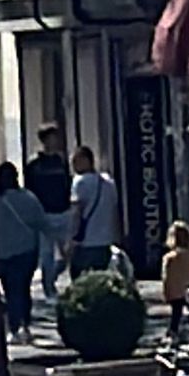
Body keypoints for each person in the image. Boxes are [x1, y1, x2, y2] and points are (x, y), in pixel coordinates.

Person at [0, 159, 48, 335]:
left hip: (2, 252)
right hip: (26, 249)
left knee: (10, 290)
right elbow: (41, 221)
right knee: (23, 288)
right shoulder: (28, 198)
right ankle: (25, 323)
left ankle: (14, 325)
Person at [24, 121, 73, 301]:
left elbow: (68, 184)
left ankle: (56, 276)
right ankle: (48, 288)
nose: (54, 142)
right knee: (47, 255)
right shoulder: (34, 165)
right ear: (44, 140)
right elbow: (29, 189)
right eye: (51, 138)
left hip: (63, 211)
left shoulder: (61, 162)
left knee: (68, 253)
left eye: (56, 138)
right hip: (44, 214)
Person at [65, 144, 122, 275]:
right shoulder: (109, 182)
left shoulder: (80, 182)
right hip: (106, 241)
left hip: (86, 242)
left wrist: (70, 239)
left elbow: (76, 213)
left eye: (75, 162)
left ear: (86, 160)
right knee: (100, 278)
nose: (73, 167)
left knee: (80, 278)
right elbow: (114, 211)